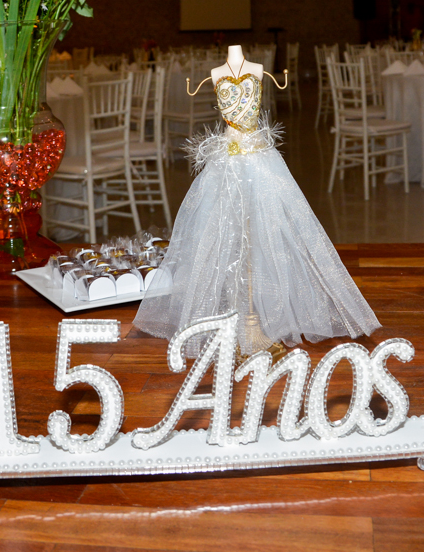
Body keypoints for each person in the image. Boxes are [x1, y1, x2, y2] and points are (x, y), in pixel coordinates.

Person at [134, 45, 380, 358]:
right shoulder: (215, 74)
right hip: (226, 162)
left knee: (267, 235)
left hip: (260, 161)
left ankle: (257, 323)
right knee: (222, 236)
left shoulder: (258, 69)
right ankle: (237, 322)